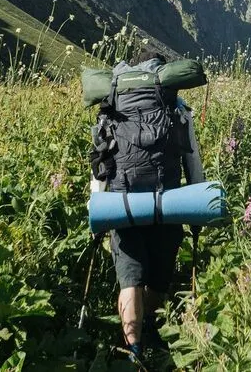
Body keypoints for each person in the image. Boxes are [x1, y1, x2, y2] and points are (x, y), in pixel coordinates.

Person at [90, 47, 206, 362]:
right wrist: (195, 203)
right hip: (167, 202)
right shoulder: (176, 107)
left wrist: (98, 208)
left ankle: (134, 353)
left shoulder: (111, 104)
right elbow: (191, 158)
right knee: (159, 277)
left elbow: (100, 160)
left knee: (130, 278)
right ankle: (154, 328)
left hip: (121, 202)